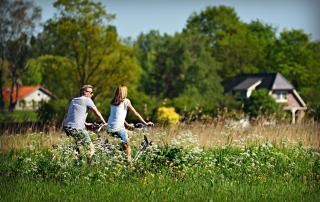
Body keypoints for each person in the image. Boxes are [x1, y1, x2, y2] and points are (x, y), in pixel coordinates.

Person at [107, 86, 153, 162]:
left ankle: (119, 149)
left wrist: (127, 124)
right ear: (124, 93)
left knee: (130, 134)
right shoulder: (126, 101)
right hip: (118, 129)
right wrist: (146, 123)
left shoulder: (113, 102)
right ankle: (129, 164)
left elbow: (117, 115)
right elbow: (135, 113)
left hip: (109, 128)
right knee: (128, 148)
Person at [63, 85, 106, 165]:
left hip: (66, 126)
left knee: (78, 146)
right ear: (85, 92)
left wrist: (86, 123)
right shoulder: (87, 100)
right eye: (91, 92)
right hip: (77, 128)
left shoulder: (74, 100)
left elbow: (75, 115)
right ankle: (88, 168)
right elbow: (97, 113)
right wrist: (104, 122)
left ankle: (77, 163)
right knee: (91, 148)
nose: (92, 94)